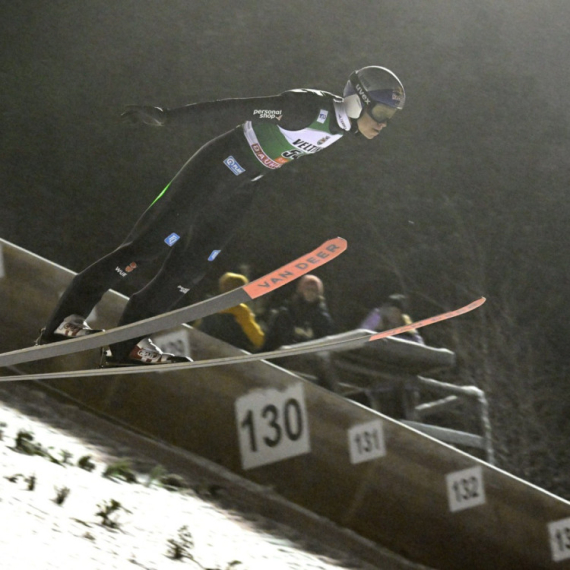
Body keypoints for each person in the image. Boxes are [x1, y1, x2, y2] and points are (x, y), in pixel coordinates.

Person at [36, 66, 406, 365]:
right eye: (382, 112)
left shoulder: (342, 129)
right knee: (144, 250)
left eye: (391, 116)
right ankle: (64, 322)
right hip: (214, 170)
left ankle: (126, 345)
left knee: (189, 271)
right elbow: (239, 108)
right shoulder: (308, 108)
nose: (384, 123)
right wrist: (169, 117)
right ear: (357, 101)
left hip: (242, 186)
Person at [262, 275, 335, 351]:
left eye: (314, 290)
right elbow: (272, 340)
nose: (311, 293)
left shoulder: (322, 318)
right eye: (308, 289)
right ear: (301, 290)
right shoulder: (286, 313)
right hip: (283, 355)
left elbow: (325, 344)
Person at [196, 272, 265, 351]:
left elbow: (198, 325)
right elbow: (257, 339)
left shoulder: (211, 304)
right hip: (226, 348)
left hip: (205, 344)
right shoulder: (240, 310)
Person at [359, 293, 425, 344]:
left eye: (396, 312)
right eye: (391, 311)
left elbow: (418, 341)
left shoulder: (405, 319)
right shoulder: (377, 315)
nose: (393, 315)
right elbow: (362, 333)